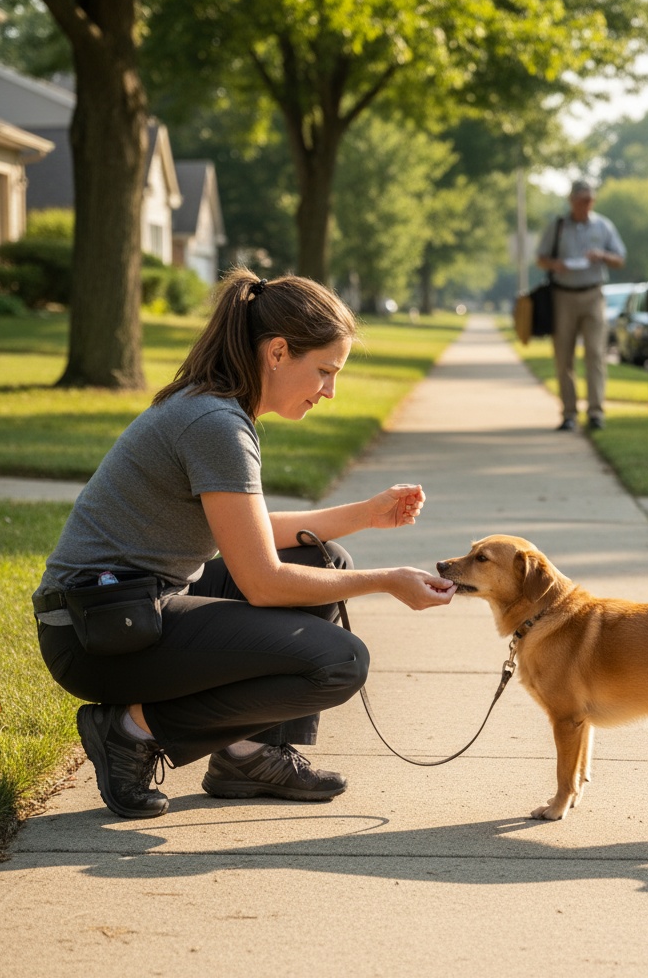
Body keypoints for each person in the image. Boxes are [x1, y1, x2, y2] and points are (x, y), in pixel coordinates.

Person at [32, 268, 456, 819]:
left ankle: (245, 755)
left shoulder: (215, 407)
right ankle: (129, 730)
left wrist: (366, 515)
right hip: (96, 632)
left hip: (125, 609)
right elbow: (263, 582)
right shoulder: (215, 423)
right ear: (278, 351)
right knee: (340, 662)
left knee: (324, 559)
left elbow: (246, 530)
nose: (330, 391)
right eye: (325, 371)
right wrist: (387, 581)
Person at [535, 179, 626, 431]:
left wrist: (602, 256)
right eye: (581, 200)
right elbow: (540, 258)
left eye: (590, 200)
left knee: (595, 354)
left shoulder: (603, 226)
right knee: (564, 356)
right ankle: (569, 413)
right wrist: (555, 264)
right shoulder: (558, 227)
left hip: (593, 294)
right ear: (572, 201)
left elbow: (620, 259)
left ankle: (596, 412)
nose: (586, 205)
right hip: (563, 296)